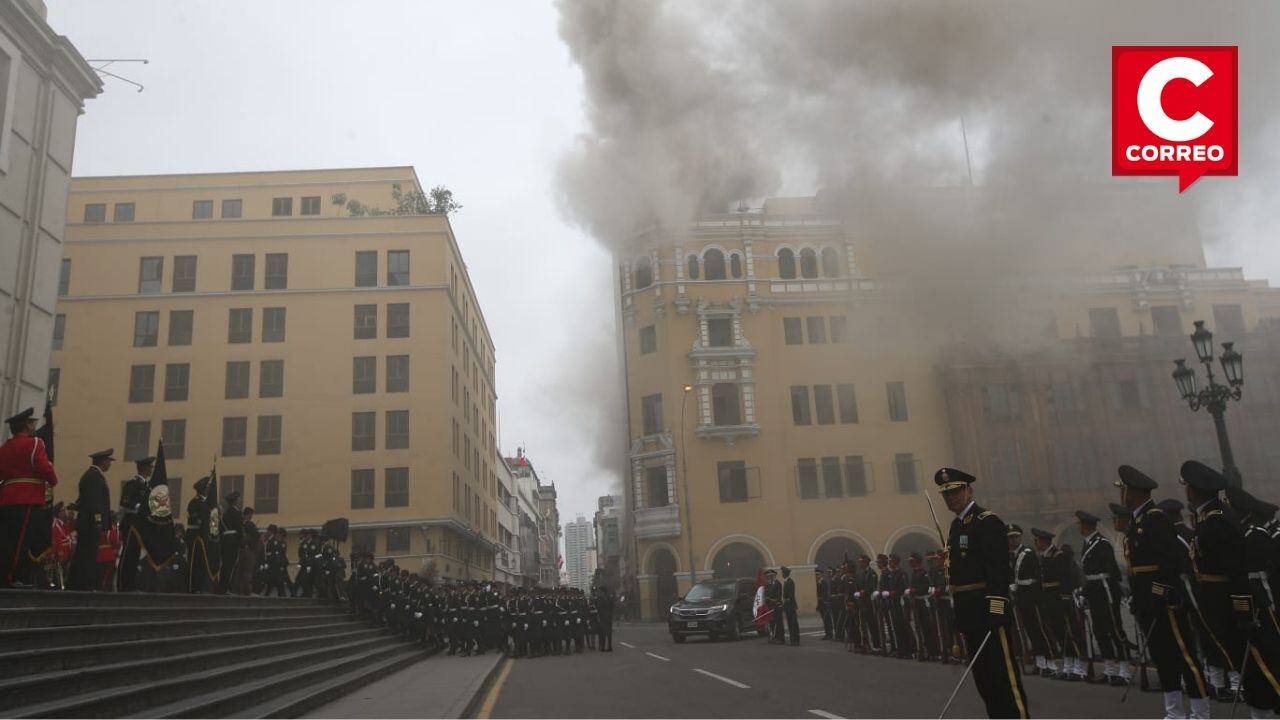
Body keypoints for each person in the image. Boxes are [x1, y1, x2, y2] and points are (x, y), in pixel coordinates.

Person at [1117, 464, 1209, 719]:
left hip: (1166, 603)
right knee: (1163, 658)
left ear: (1133, 493)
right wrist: (1139, 598)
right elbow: (1138, 571)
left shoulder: (1155, 519)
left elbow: (1171, 563)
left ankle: (1201, 711)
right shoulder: (1138, 522)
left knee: (1185, 656)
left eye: (1123, 489)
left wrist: (1159, 594)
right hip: (1149, 602)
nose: (1121, 494)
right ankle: (1174, 711)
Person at [935, 466, 1029, 719]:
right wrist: (959, 611)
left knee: (1003, 679)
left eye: (955, 491)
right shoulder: (956, 527)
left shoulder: (986, 522)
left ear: (968, 490)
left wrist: (996, 608)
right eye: (946, 494)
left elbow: (998, 570)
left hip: (988, 611)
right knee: (985, 683)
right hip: (970, 613)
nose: (951, 497)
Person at [1181, 460, 1267, 712]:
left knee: (1251, 666)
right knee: (1241, 663)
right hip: (1217, 603)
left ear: (1194, 490)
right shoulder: (1208, 518)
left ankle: (1264, 713)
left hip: (1227, 604)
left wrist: (1243, 610)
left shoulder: (1216, 520)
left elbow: (1235, 570)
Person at [0, 407, 59, 588]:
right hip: (27, 497)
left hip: (7, 496)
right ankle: (12, 577)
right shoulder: (34, 443)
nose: (34, 426)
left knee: (6, 538)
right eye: (32, 423)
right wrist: (52, 479)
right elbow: (44, 467)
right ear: (26, 426)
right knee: (21, 541)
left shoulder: (5, 447)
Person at [1076, 510, 1128, 686]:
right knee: (1099, 631)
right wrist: (1084, 592)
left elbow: (1111, 570)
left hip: (1106, 592)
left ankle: (1124, 669)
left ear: (1087, 526)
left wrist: (1112, 590)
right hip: (1095, 592)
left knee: (1114, 630)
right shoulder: (1087, 543)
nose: (1079, 527)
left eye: (1081, 524)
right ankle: (1109, 669)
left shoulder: (1102, 543)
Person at [1009, 524, 1053, 677]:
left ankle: (1049, 662)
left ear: (1020, 537)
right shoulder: (1010, 556)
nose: (1012, 540)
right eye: (1009, 538)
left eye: (1015, 537)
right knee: (1030, 631)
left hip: (1032, 596)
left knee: (1040, 630)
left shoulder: (1027, 553)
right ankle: (1040, 662)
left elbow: (1037, 575)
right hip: (1020, 598)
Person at [68, 449, 113, 591]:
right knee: (88, 555)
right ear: (102, 461)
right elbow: (95, 503)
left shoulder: (91, 475)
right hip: (90, 523)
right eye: (108, 461)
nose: (109, 465)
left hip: (86, 522)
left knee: (83, 553)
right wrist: (98, 521)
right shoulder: (95, 477)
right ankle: (84, 584)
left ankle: (76, 583)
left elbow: (85, 500)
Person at [116, 455, 153, 591]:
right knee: (127, 555)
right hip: (131, 523)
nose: (151, 469)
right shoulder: (132, 485)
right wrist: (139, 507)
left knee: (135, 556)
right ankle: (122, 584)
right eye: (150, 467)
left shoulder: (148, 487)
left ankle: (130, 585)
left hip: (141, 525)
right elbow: (124, 502)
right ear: (144, 468)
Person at [781, 565, 800, 646]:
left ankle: (795, 640)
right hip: (788, 605)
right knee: (790, 623)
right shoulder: (786, 582)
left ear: (785, 574)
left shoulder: (790, 582)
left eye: (783, 573)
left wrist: (786, 602)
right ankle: (793, 640)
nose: (782, 574)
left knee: (793, 623)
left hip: (791, 605)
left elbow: (790, 595)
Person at [764, 568, 783, 644]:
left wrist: (770, 599)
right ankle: (774, 637)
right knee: (772, 623)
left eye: (771, 576)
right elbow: (766, 593)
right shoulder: (768, 585)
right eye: (768, 577)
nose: (769, 578)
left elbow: (778, 595)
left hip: (776, 606)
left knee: (778, 624)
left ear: (774, 576)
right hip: (770, 606)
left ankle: (780, 638)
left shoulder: (778, 584)